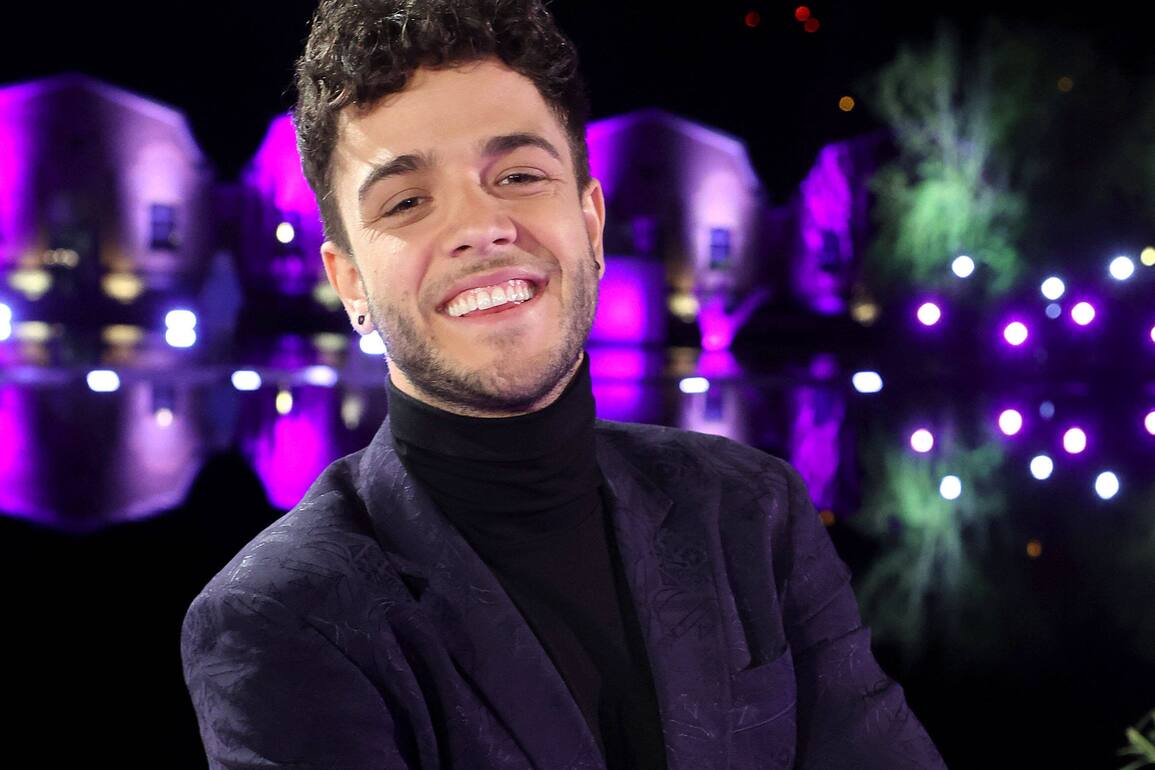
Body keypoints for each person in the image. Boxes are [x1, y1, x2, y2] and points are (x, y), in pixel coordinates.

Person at [180, 1, 948, 767]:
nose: (480, 227)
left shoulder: (754, 511)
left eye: (518, 175)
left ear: (590, 224)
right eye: (407, 201)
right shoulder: (284, 617)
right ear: (349, 281)